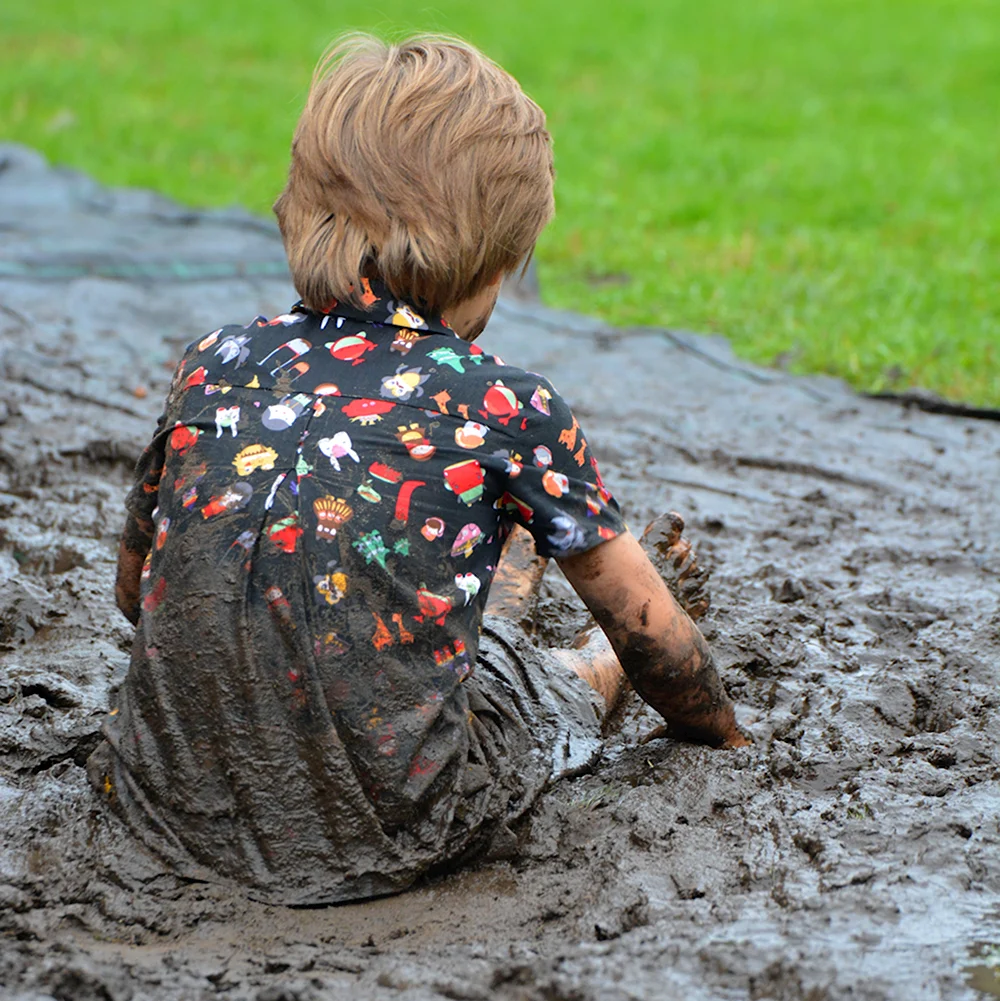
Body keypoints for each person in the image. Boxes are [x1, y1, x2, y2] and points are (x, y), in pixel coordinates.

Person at [89, 33, 747, 906]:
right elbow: (655, 641)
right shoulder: (505, 406)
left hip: (161, 800)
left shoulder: (214, 360)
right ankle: (548, 625)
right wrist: (726, 733)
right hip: (388, 825)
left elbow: (137, 593)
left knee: (367, 571)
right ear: (490, 261)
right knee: (546, 692)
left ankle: (504, 578)